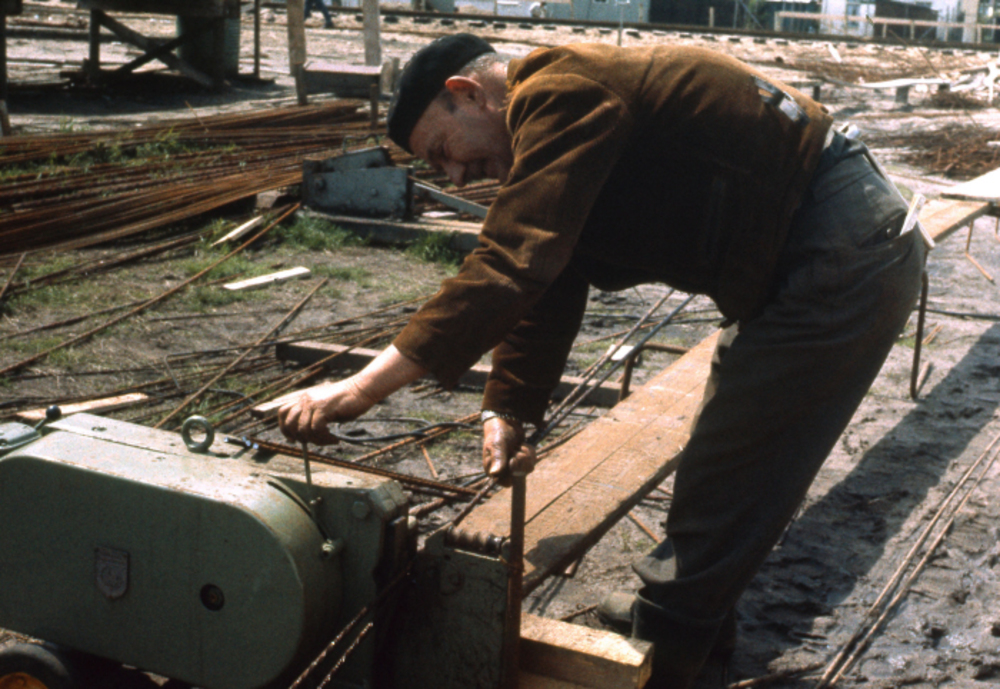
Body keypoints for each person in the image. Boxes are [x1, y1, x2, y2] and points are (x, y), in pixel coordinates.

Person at [276, 34, 928, 687]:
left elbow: (511, 264)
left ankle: (662, 656)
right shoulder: (556, 119)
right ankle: (686, 622)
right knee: (727, 452)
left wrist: (359, 390)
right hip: (813, 245)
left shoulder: (562, 91)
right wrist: (509, 406)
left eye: (444, 150)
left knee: (740, 458)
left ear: (468, 94)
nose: (456, 177)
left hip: (840, 246)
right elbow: (551, 271)